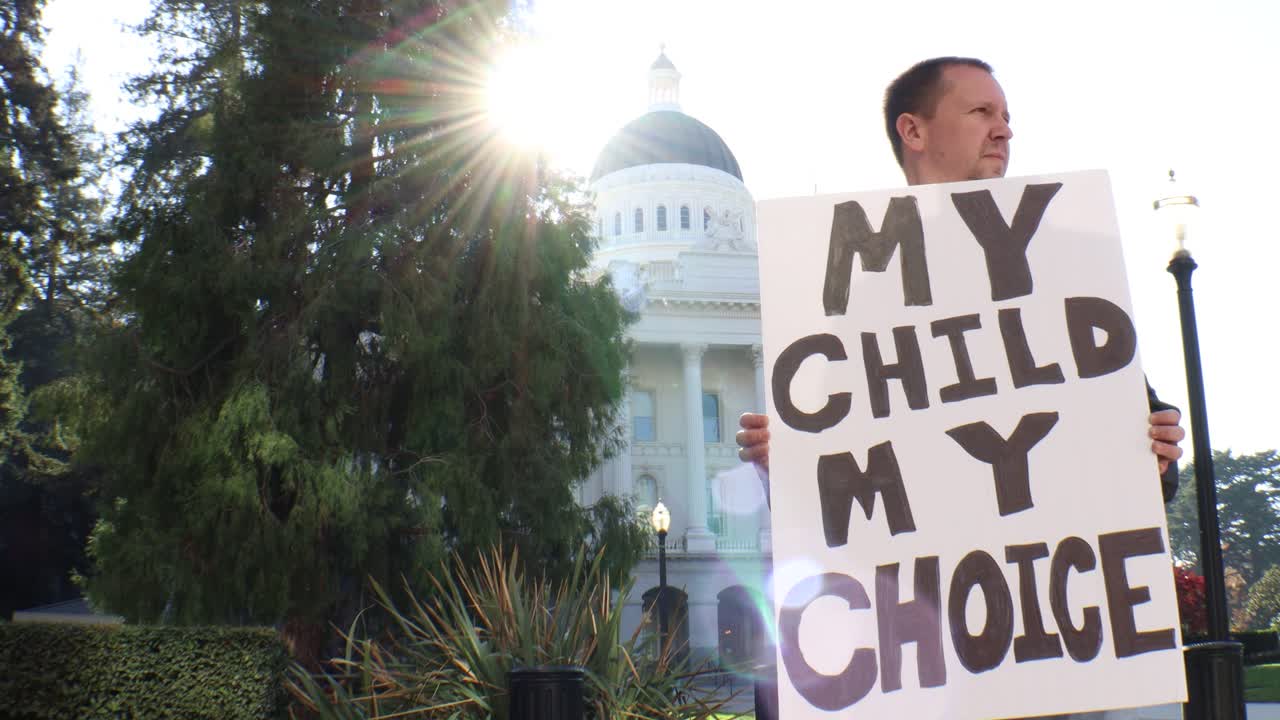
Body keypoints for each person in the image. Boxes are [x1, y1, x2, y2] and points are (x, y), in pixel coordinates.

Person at [739, 57, 1185, 720]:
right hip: (917, 673)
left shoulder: (1061, 268)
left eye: (1006, 116)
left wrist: (1154, 451)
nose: (1004, 130)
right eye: (982, 113)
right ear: (913, 132)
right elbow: (845, 509)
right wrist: (791, 464)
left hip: (1045, 671)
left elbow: (1133, 469)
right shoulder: (843, 295)